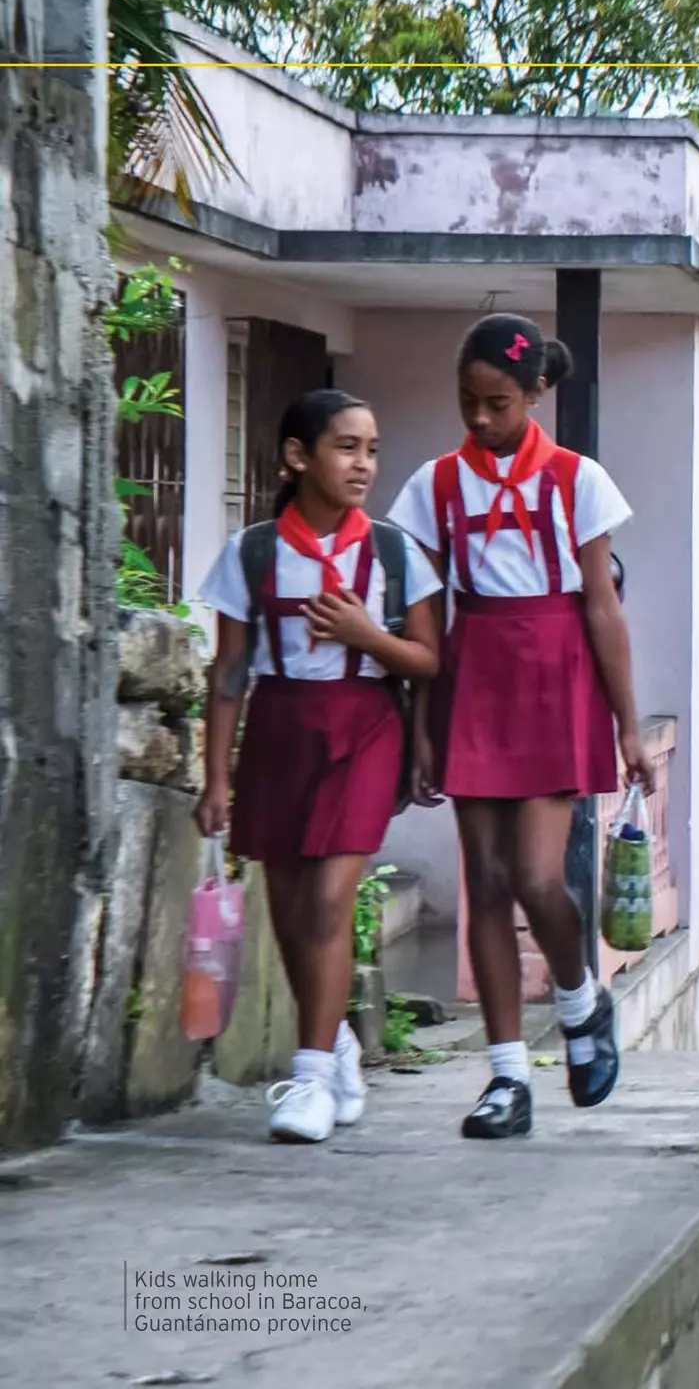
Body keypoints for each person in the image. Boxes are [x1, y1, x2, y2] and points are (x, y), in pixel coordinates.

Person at [390, 312, 643, 1140]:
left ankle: (579, 1004)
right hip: (476, 675)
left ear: (535, 392)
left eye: (498, 403)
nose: (481, 420)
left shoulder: (579, 480)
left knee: (539, 878)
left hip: (558, 676)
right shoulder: (431, 489)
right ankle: (504, 1079)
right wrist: (423, 729)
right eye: (468, 403)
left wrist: (629, 725)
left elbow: (604, 612)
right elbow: (426, 619)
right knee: (487, 887)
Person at [195, 390, 442, 1144]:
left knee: (332, 900)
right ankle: (333, 1042)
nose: (364, 463)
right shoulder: (253, 552)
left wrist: (367, 634)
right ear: (298, 456)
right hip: (280, 726)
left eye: (371, 448)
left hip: (365, 727)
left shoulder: (397, 553)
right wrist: (215, 780)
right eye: (346, 447)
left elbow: (429, 659)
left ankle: (307, 1080)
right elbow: (230, 671)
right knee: (296, 911)